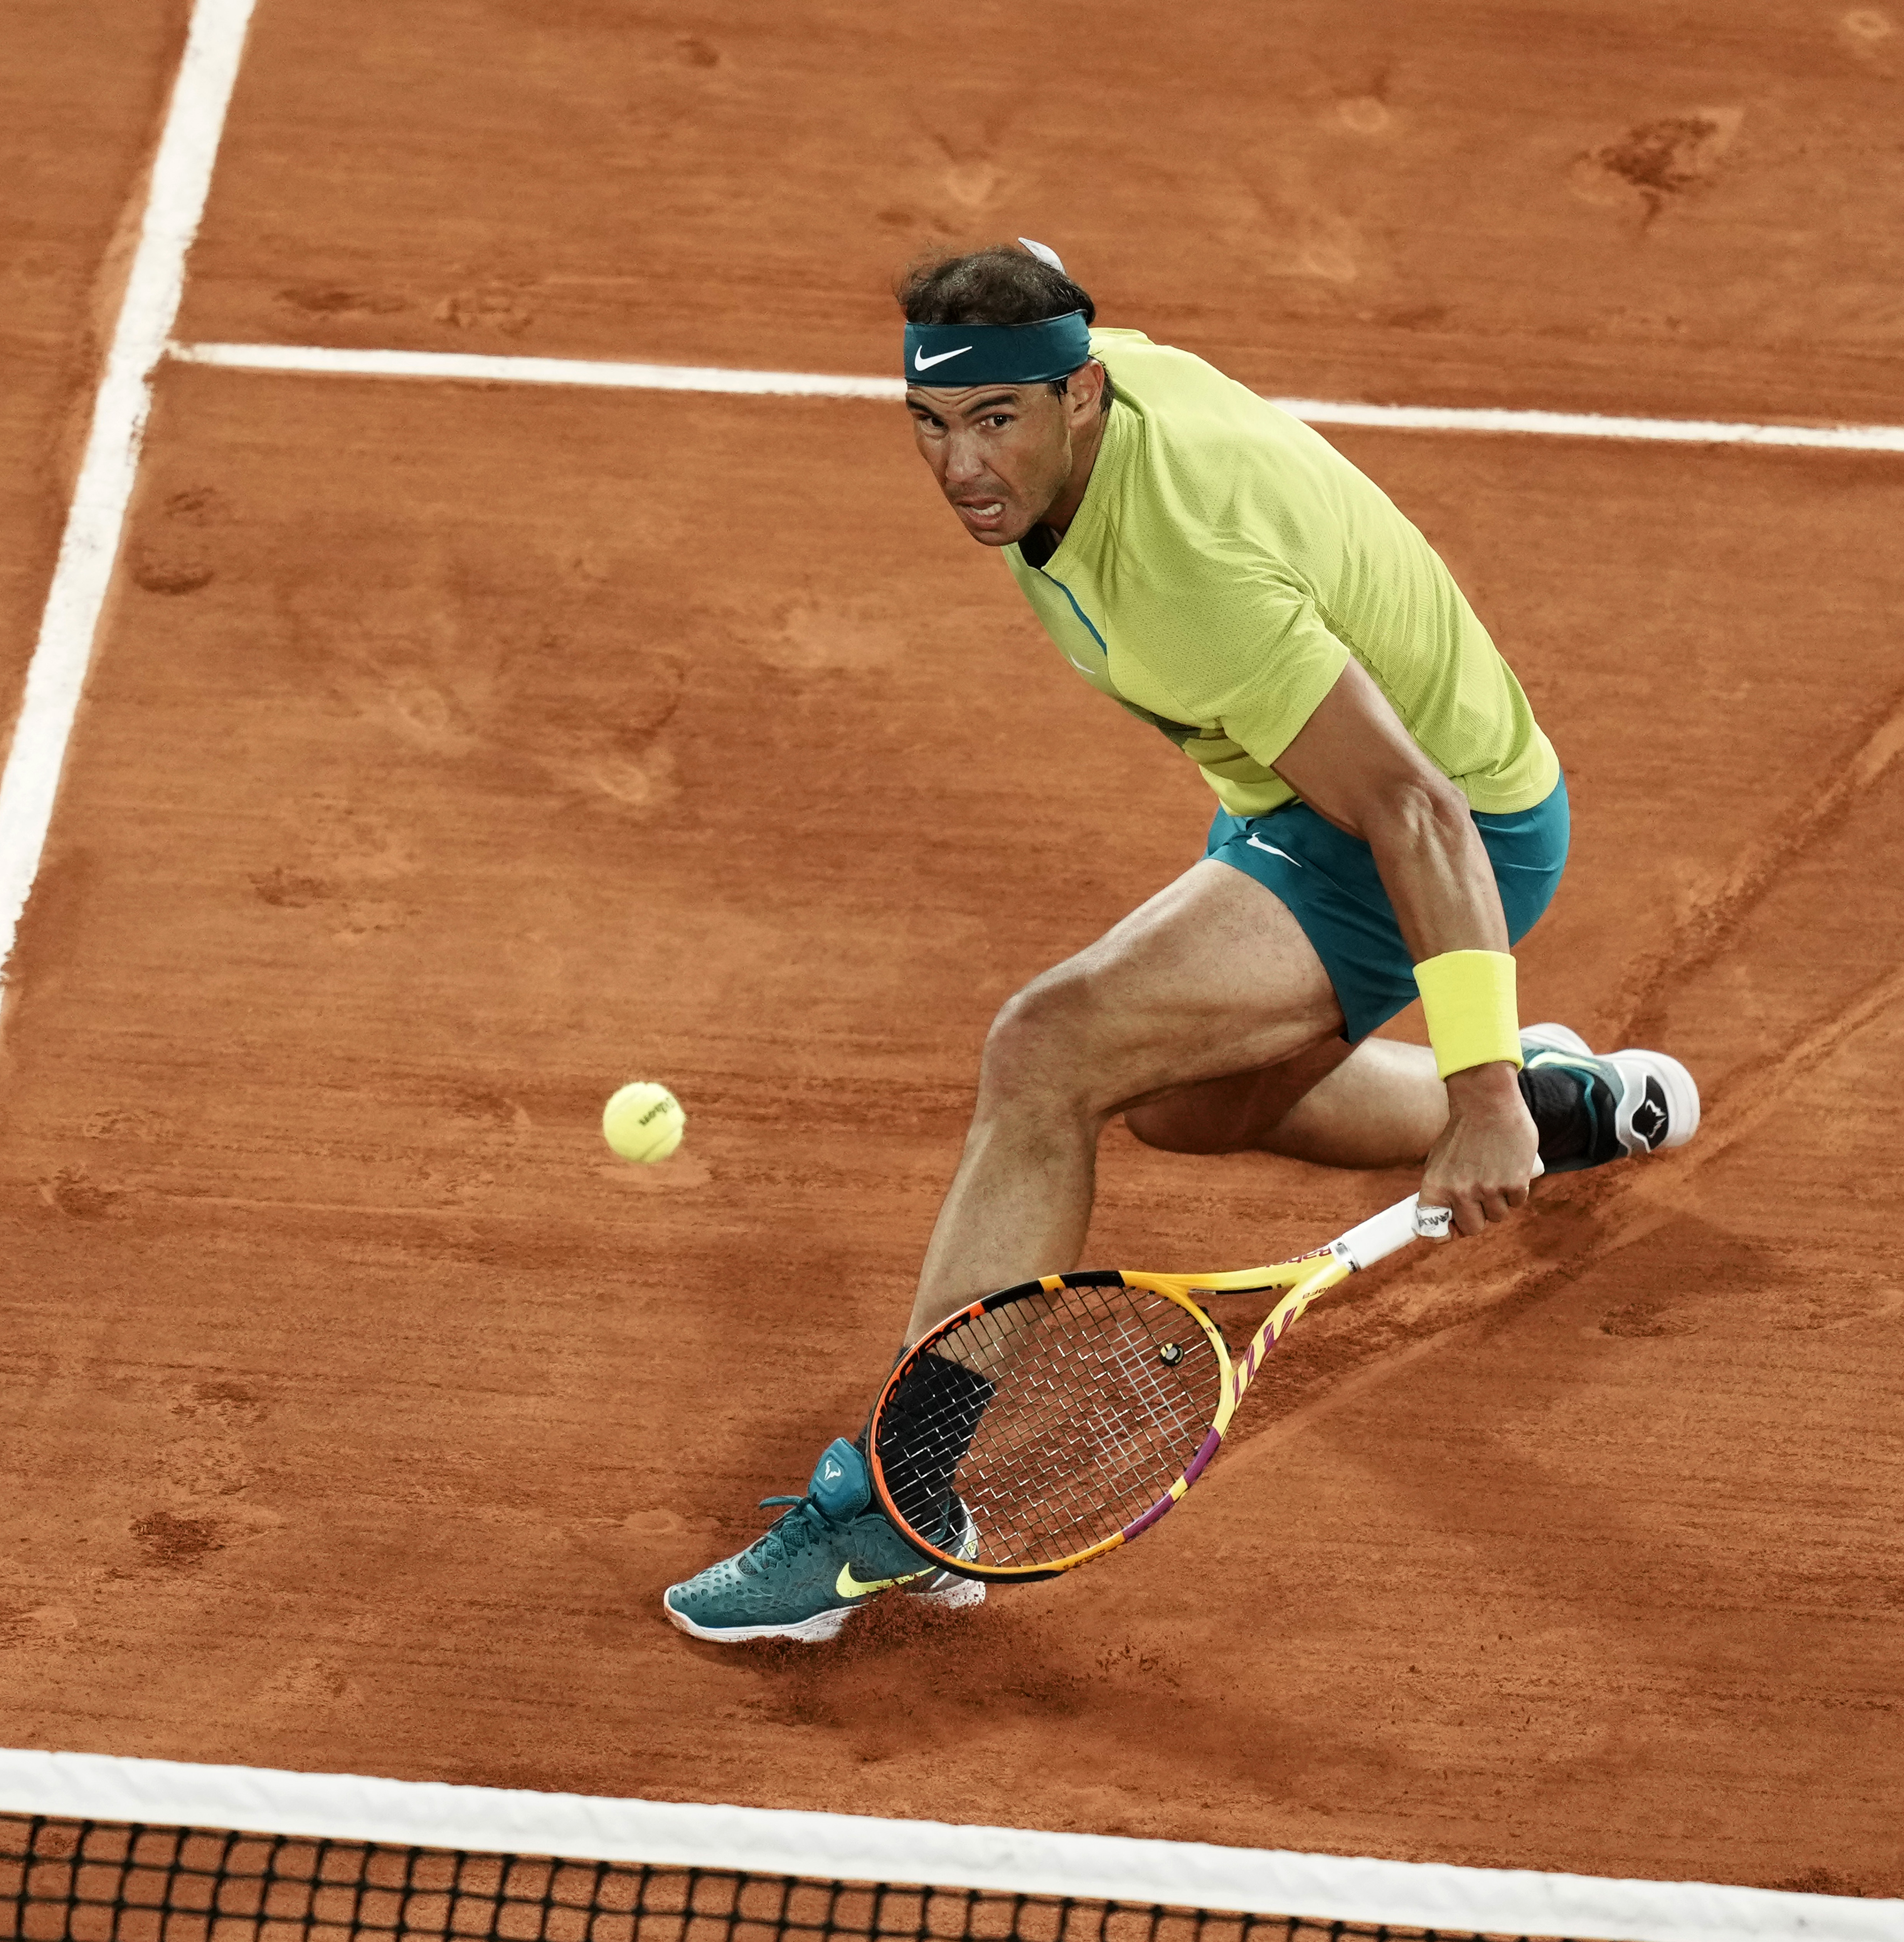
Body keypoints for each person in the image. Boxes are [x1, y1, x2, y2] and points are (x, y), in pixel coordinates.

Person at [664, 240, 1697, 1643]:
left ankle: (903, 1513)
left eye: (996, 422)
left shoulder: (1185, 569)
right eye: (931, 424)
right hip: (1304, 792)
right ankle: (1574, 1106)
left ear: (1082, 396)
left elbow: (1416, 808)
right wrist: (1505, 1099)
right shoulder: (1083, 366)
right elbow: (1031, 265)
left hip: (1424, 835)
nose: (962, 466)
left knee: (1049, 1052)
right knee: (1193, 1113)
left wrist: (1478, 1095)